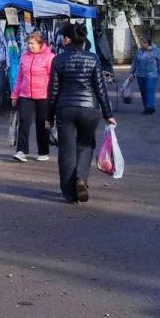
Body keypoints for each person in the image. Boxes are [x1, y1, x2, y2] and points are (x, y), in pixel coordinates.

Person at [47, 22, 116, 204]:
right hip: (89, 108)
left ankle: (69, 192)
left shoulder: (58, 60)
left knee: (67, 150)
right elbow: (100, 88)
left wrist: (48, 117)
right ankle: (82, 179)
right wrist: (108, 114)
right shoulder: (93, 59)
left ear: (68, 39)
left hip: (65, 109)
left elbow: (53, 91)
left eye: (63, 37)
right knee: (86, 145)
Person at [10, 32, 54, 162]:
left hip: (43, 96)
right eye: (28, 43)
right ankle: (21, 151)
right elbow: (19, 78)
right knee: (24, 121)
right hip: (25, 95)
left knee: (42, 124)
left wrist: (53, 96)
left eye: (32, 43)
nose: (30, 46)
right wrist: (15, 95)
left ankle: (43, 151)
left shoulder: (50, 57)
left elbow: (53, 78)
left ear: (40, 44)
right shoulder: (24, 57)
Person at [130, 37, 160, 115]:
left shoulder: (156, 51)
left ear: (147, 43)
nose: (141, 44)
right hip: (140, 74)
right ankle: (146, 107)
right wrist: (131, 72)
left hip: (152, 75)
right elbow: (135, 62)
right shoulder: (139, 51)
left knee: (149, 90)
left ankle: (150, 108)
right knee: (143, 91)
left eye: (142, 43)